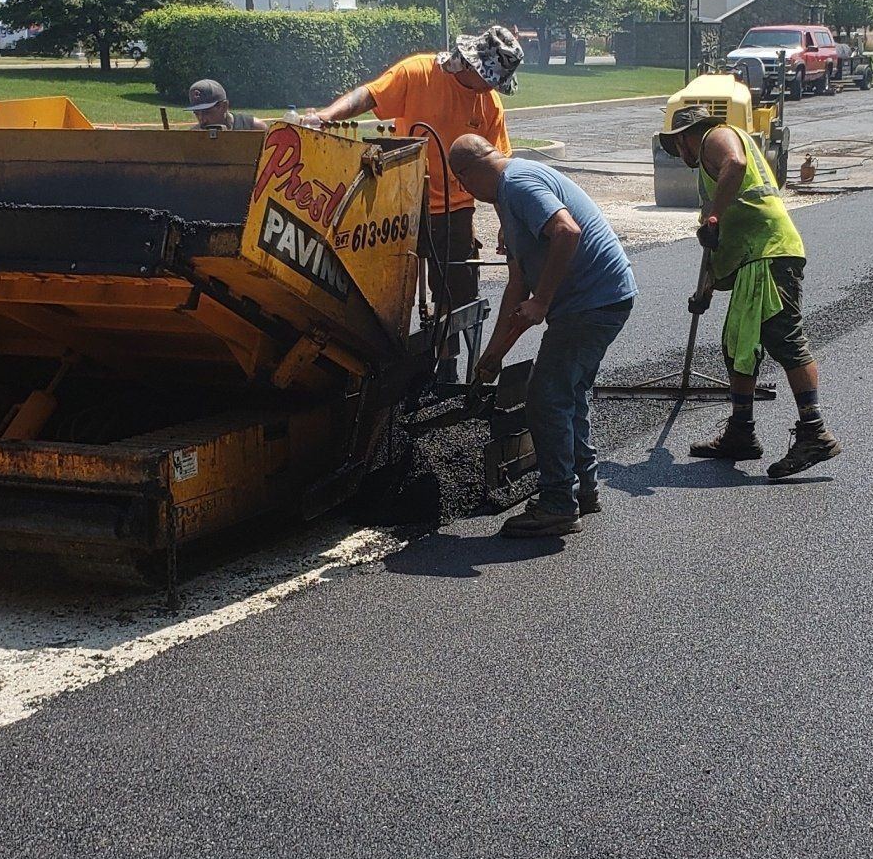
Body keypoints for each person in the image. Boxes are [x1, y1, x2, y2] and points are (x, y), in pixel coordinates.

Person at [455, 136, 635, 539]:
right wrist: (492, 358)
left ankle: (557, 503)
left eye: (462, 185)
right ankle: (583, 490)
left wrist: (543, 300)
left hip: (592, 301)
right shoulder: (509, 196)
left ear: (467, 176)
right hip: (605, 298)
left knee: (546, 396)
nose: (466, 193)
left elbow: (567, 232)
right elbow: (516, 286)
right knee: (569, 394)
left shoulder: (517, 183)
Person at [656, 105, 842, 480]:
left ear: (685, 137)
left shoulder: (716, 137)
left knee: (784, 336)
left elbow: (736, 165)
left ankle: (815, 431)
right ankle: (741, 431)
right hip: (752, 260)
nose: (679, 157)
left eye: (677, 148)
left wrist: (712, 217)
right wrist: (706, 289)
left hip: (771, 252)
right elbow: (719, 241)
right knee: (738, 343)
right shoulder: (710, 174)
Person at [309, 27, 520, 328]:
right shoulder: (418, 72)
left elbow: (497, 171)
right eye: (490, 80)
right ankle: (388, 356)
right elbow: (369, 95)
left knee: (457, 299)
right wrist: (326, 117)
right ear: (472, 64)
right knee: (386, 292)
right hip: (401, 204)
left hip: (455, 210)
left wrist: (506, 223)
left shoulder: (490, 105)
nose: (492, 88)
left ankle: (446, 366)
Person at [184, 79, 257, 130]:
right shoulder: (193, 138)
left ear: (224, 106)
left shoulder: (254, 128)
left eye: (207, 112)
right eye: (197, 114)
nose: (202, 120)